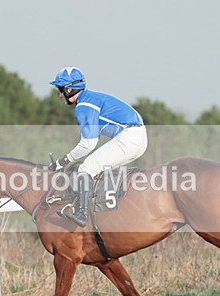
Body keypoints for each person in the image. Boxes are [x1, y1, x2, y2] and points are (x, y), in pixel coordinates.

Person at [48, 66, 147, 227]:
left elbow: (88, 144)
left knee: (86, 169)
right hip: (139, 137)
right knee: (97, 170)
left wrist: (63, 161)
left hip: (129, 137)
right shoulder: (90, 98)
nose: (59, 95)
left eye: (60, 90)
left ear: (69, 89)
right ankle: (106, 213)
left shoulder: (83, 106)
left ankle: (82, 214)